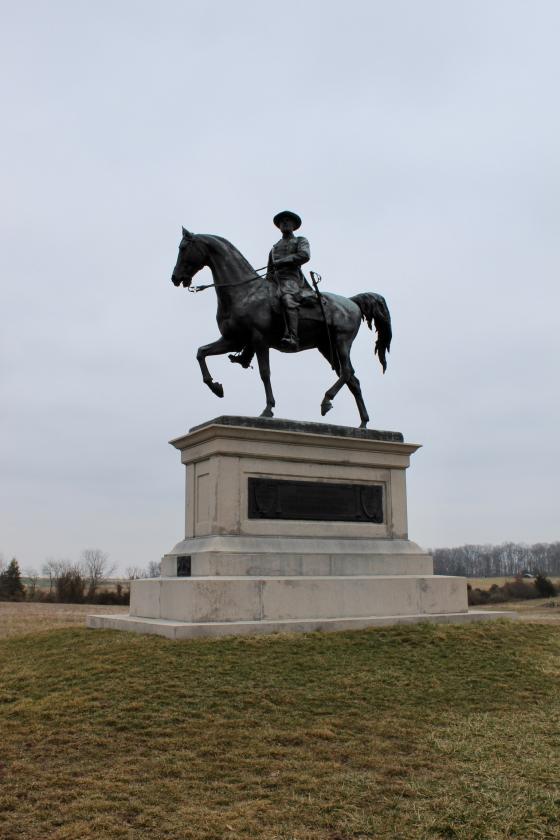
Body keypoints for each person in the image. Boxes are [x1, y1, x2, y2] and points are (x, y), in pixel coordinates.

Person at [267, 210, 314, 349]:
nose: (285, 223)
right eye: (282, 221)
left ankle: (293, 337)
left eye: (288, 221)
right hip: (275, 282)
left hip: (292, 280)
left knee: (287, 299)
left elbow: (304, 255)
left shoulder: (300, 240)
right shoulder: (274, 248)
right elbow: (269, 272)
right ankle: (248, 352)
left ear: (294, 225)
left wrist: (283, 261)